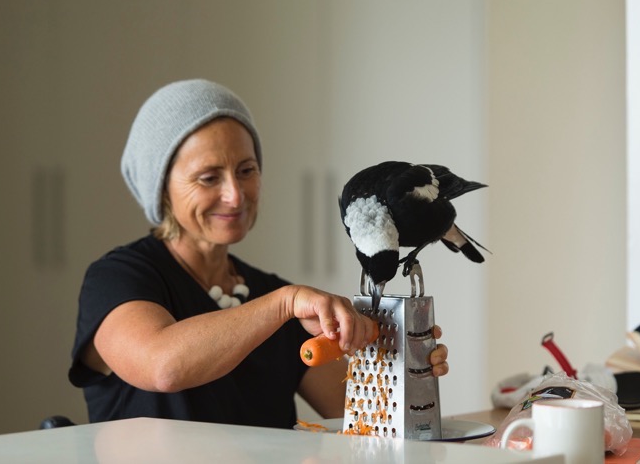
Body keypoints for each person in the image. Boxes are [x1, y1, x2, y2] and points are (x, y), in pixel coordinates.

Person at [69, 79, 449, 429]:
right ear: (162, 188)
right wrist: (284, 303)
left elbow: (364, 416)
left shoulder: (272, 297)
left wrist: (405, 364)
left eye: (246, 170)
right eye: (209, 177)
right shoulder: (116, 278)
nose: (236, 195)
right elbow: (162, 366)